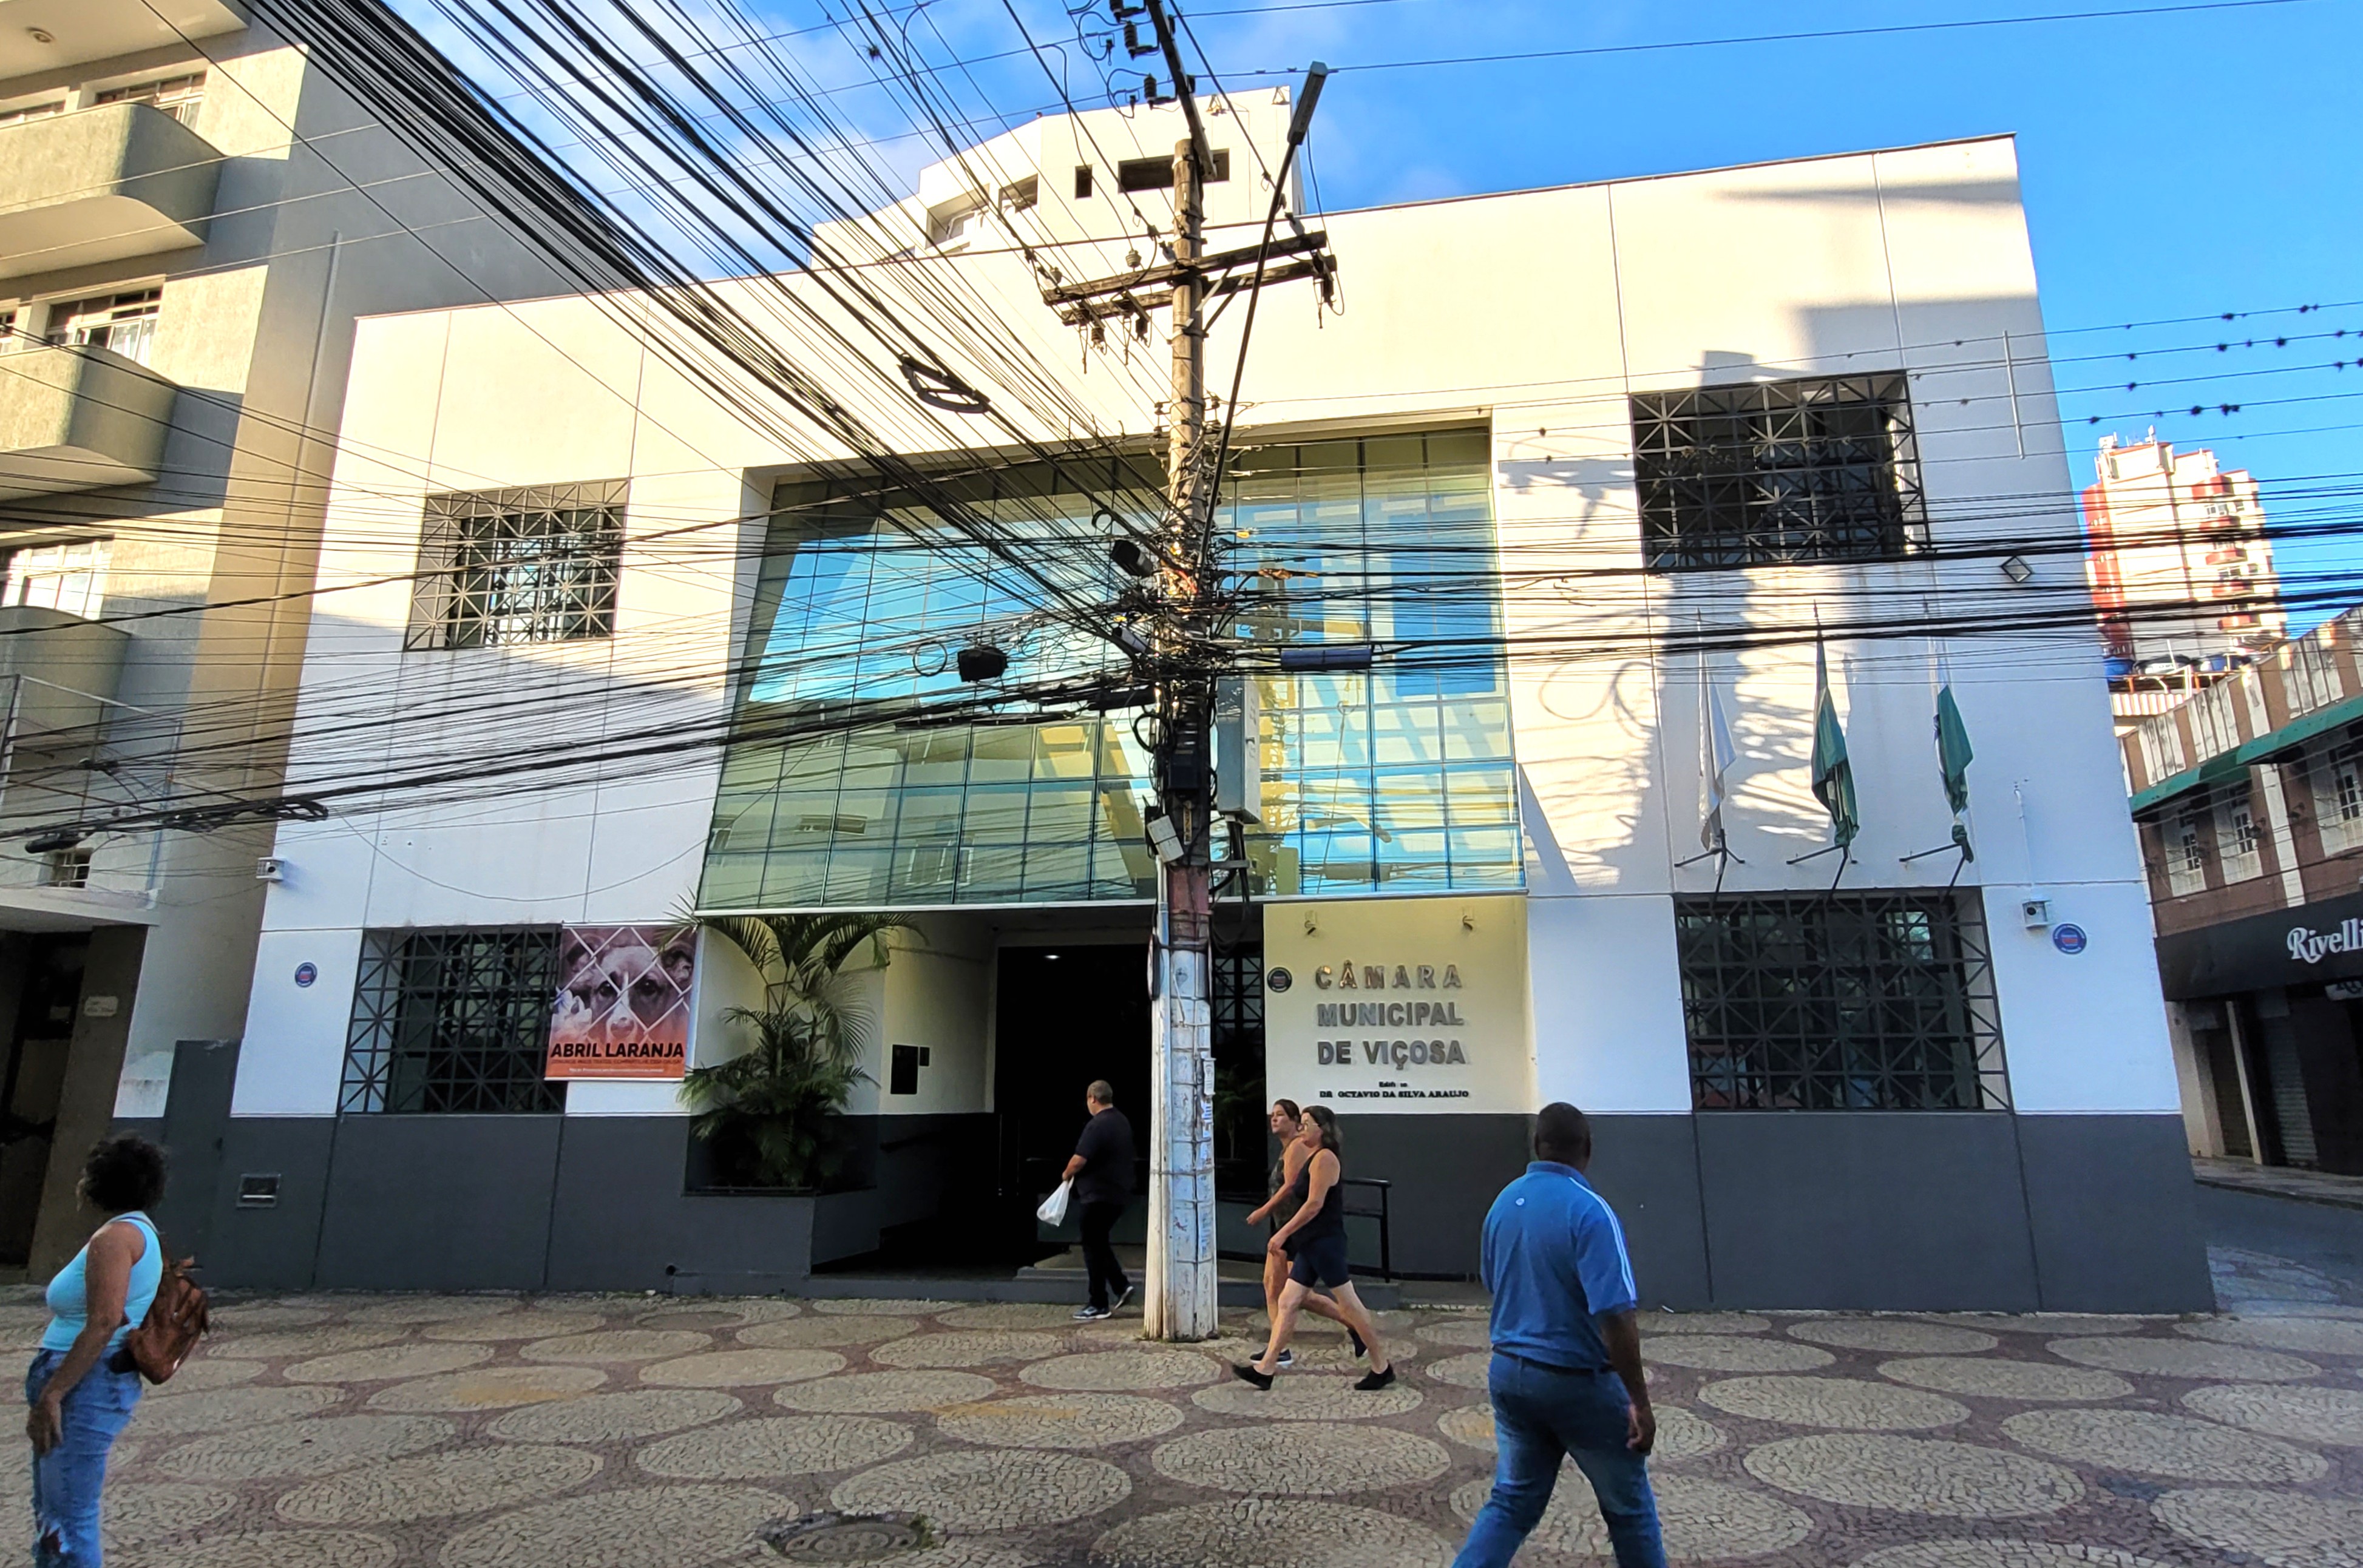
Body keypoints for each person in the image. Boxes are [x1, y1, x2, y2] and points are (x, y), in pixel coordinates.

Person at [1452, 1103, 1663, 1568]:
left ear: (1536, 1145)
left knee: (1511, 1502)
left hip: (1510, 1374)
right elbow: (1616, 1316)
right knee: (1629, 1512)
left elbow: (1493, 1281)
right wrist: (1639, 1402)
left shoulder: (1503, 1203)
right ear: (1588, 1149)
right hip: (1578, 1382)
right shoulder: (1591, 1212)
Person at [25, 1134, 166, 1568]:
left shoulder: (116, 1238)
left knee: (67, 1523)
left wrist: (54, 1392)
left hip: (86, 1382)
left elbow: (104, 1321)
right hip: (93, 1378)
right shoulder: (138, 1231)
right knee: (57, 1516)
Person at [1231, 1104, 1394, 1391]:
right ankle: (1266, 1369)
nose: (1301, 1129)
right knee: (1288, 1301)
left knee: (1350, 1306)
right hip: (1310, 1243)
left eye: (1306, 1124)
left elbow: (1314, 1205)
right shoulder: (1313, 1157)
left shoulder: (1325, 1159)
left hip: (1325, 1244)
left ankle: (1381, 1367)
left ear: (1322, 1129)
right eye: (1302, 1123)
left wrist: (1282, 1233)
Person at [1243, 1099, 1365, 1367]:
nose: (1274, 1119)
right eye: (1273, 1115)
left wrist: (1264, 1211)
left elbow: (1292, 1187)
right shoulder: (1288, 1148)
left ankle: (1355, 1327)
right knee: (1278, 1288)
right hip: (1284, 1226)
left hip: (1292, 1228)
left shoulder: (1299, 1147)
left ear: (1295, 1121)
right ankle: (1353, 1327)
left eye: (1280, 1115)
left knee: (1289, 1292)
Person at [1062, 1080, 1135, 1321]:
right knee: (1098, 1242)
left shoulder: (1097, 1125)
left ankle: (1098, 1302)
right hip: (1119, 1193)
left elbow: (1079, 1160)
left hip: (1097, 1195)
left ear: (1092, 1098)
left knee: (1092, 1246)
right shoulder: (1122, 1121)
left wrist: (1066, 1175)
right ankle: (1121, 1285)